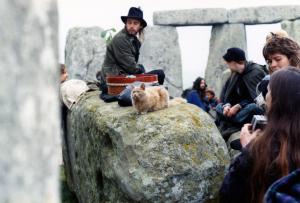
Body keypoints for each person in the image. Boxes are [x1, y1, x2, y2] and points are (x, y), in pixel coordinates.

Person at [219, 67, 300, 203]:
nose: (264, 96)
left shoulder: (263, 148)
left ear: (276, 100)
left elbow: (228, 195)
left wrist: (248, 150)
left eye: (268, 91)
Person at [99, 7, 165, 93]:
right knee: (159, 74)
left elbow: (132, 66)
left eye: (135, 23)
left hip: (124, 77)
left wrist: (140, 69)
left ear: (140, 26)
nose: (131, 26)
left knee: (156, 76)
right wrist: (141, 69)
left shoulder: (133, 40)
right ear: (126, 24)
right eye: (129, 23)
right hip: (112, 82)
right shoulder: (121, 39)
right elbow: (132, 68)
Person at [215, 47, 266, 139]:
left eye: (228, 63)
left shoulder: (255, 72)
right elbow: (231, 95)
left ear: (233, 63)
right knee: (219, 106)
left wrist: (239, 105)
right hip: (239, 111)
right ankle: (232, 119)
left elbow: (259, 99)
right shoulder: (236, 74)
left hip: (251, 109)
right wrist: (227, 105)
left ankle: (232, 120)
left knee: (252, 107)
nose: (228, 66)